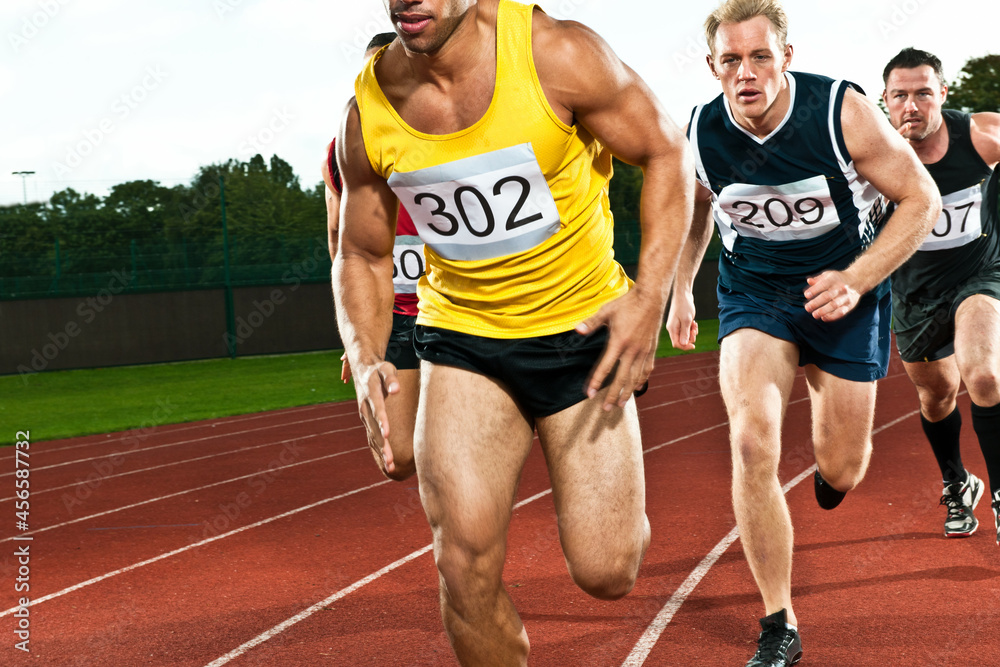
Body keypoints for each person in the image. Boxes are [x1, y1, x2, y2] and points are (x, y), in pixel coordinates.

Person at [333, 0, 694, 663]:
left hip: (580, 333)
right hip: (461, 340)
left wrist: (650, 298)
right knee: (460, 561)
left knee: (607, 570)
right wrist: (364, 352)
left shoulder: (557, 53)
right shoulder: (368, 110)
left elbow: (667, 151)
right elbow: (361, 252)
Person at [666, 2, 940, 665]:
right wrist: (681, 289)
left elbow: (922, 198)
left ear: (786, 57)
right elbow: (696, 209)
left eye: (760, 56)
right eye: (731, 60)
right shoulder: (699, 130)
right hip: (756, 295)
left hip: (846, 291)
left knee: (843, 464)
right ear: (712, 66)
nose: (746, 72)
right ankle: (778, 621)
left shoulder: (840, 112)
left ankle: (833, 469)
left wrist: (857, 277)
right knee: (751, 439)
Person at [881, 47, 1000, 543]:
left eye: (923, 93)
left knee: (985, 374)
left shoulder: (981, 136)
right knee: (936, 395)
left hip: (980, 274)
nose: (912, 105)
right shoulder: (870, 154)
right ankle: (958, 482)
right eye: (900, 96)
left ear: (943, 94)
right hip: (915, 293)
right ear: (885, 101)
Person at [323, 33, 421, 481]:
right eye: (365, 76)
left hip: (455, 307)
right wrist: (356, 335)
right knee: (398, 457)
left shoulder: (445, 128)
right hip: (392, 313)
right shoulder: (341, 152)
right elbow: (338, 241)